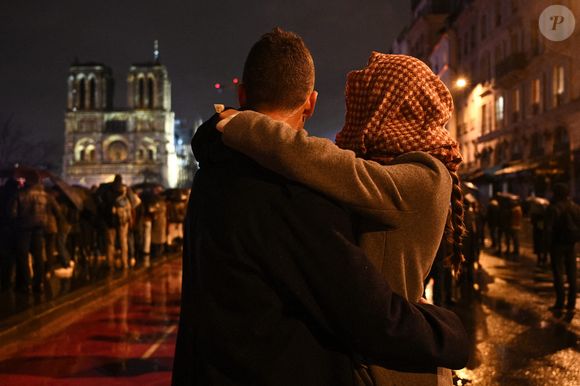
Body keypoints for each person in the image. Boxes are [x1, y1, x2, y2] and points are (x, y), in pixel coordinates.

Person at [172, 28, 468, 386]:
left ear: (241, 94)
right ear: (310, 103)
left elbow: (326, 161)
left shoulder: (213, 172)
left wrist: (235, 122)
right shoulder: (294, 191)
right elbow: (368, 317)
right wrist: (451, 332)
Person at [546, 183, 579, 313]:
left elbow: (548, 229)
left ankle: (560, 302)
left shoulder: (553, 208)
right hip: (571, 244)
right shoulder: (575, 207)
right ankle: (571, 303)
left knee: (558, 273)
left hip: (557, 244)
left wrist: (547, 246)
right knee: (572, 274)